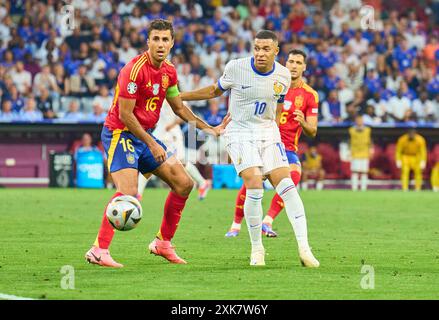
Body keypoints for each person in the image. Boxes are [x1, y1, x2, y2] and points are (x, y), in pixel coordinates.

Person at [85, 19, 229, 268]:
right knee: (128, 192)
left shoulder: (169, 72)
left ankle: (163, 243)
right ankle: (99, 250)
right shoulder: (133, 70)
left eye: (165, 39)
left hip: (145, 135)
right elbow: (125, 115)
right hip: (121, 134)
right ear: (148, 41)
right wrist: (152, 143)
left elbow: (178, 107)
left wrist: (209, 128)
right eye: (156, 39)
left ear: (172, 43)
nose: (160, 44)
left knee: (184, 183)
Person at [181, 31, 319, 267]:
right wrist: (181, 96)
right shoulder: (236, 67)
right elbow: (215, 90)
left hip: (267, 132)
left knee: (287, 185)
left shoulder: (283, 75)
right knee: (254, 182)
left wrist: (273, 132)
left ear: (276, 52)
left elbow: (276, 105)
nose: (260, 53)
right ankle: (257, 249)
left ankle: (305, 249)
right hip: (240, 131)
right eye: (256, 48)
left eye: (266, 49)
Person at [224, 49, 319, 238]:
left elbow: (313, 130)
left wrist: (303, 122)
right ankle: (235, 224)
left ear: (304, 67)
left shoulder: (310, 95)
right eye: (291, 61)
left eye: (298, 63)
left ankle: (267, 221)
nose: (293, 65)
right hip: (261, 139)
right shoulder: (273, 83)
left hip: (287, 146)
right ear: (286, 63)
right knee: (253, 180)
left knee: (294, 176)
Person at [137, 100, 211, 200]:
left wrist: (172, 124)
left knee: (181, 163)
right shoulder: (160, 96)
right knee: (148, 161)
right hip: (160, 133)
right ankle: (138, 193)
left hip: (173, 134)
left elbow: (186, 113)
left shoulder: (178, 98)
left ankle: (202, 182)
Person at [349, 115, 372, 191]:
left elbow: (370, 141)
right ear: (355, 121)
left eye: (361, 120)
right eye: (358, 120)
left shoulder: (368, 130)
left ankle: (363, 188)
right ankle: (354, 188)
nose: (359, 122)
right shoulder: (352, 130)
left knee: (364, 172)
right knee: (355, 171)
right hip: (355, 153)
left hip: (365, 153)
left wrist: (371, 151)